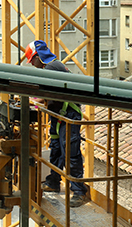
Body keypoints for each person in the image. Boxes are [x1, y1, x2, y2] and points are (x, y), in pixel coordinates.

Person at [25, 40, 90, 207]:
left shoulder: (52, 67)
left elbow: (47, 92)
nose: (32, 64)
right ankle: (53, 181)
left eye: (32, 60)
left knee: (70, 153)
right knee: (56, 149)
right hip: (59, 115)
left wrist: (34, 100)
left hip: (68, 115)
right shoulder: (51, 67)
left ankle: (79, 192)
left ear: (39, 57)